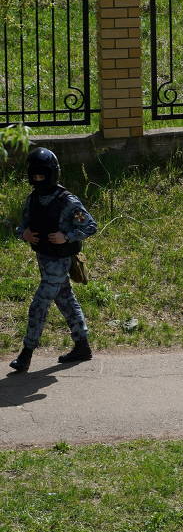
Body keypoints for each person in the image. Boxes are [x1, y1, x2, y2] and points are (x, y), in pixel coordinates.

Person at [8, 148, 96, 374]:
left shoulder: (67, 201)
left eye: (42, 175)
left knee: (39, 305)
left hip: (59, 261)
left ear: (52, 174)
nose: (38, 179)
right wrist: (23, 233)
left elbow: (90, 226)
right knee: (66, 300)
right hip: (44, 259)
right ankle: (82, 345)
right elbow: (22, 225)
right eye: (35, 175)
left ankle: (26, 354)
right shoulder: (33, 199)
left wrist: (66, 236)